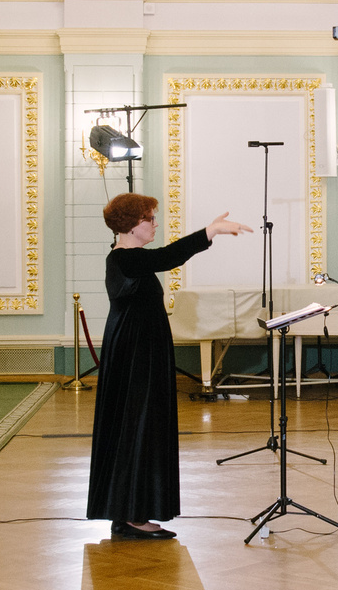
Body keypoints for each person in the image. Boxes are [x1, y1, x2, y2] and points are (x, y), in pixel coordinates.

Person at [85, 194, 252, 539]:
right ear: (133, 225)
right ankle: (132, 515)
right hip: (136, 355)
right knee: (139, 427)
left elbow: (162, 260)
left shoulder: (127, 260)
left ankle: (129, 510)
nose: (154, 223)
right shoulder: (126, 259)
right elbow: (168, 257)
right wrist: (211, 231)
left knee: (138, 428)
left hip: (137, 351)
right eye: (149, 218)